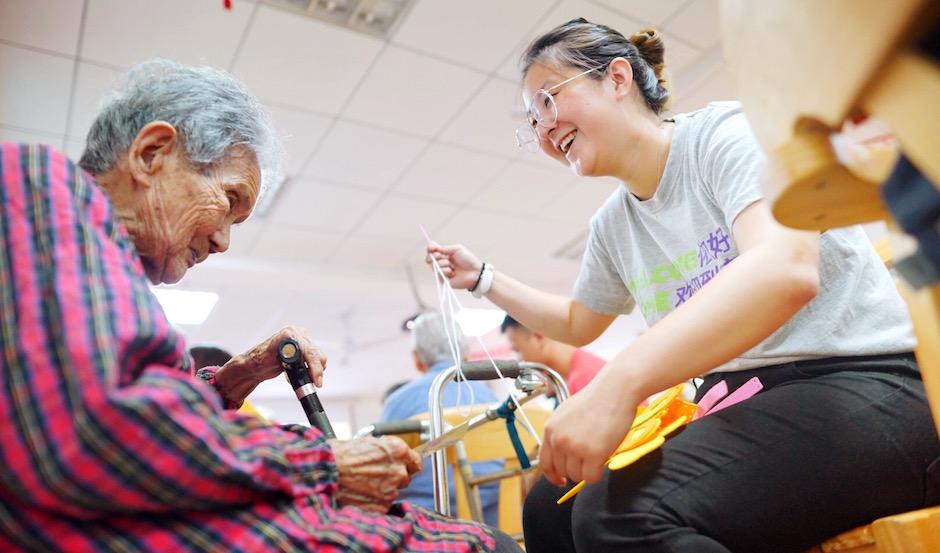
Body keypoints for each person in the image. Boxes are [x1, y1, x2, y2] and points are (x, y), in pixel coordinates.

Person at [427, 18, 939, 553]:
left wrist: (619, 384)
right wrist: (483, 279)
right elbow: (579, 322)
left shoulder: (724, 135)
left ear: (618, 78)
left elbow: (785, 268)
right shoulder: (612, 224)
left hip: (875, 384)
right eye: (531, 123)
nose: (544, 131)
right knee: (550, 510)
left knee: (620, 515)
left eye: (548, 103)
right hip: (751, 401)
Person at [0, 59, 520, 552]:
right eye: (228, 202)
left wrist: (240, 374)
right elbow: (99, 432)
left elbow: (137, 408)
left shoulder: (106, 270)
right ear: (152, 154)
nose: (224, 241)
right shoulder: (38, 186)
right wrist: (322, 463)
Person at [381, 311, 502, 526]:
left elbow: (383, 475)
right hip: (496, 522)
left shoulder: (398, 402)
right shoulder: (490, 399)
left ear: (417, 359)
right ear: (465, 352)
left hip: (425, 527)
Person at [500, 315, 604, 395]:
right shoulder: (577, 376)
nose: (519, 360)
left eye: (517, 350)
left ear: (538, 338)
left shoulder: (584, 379)